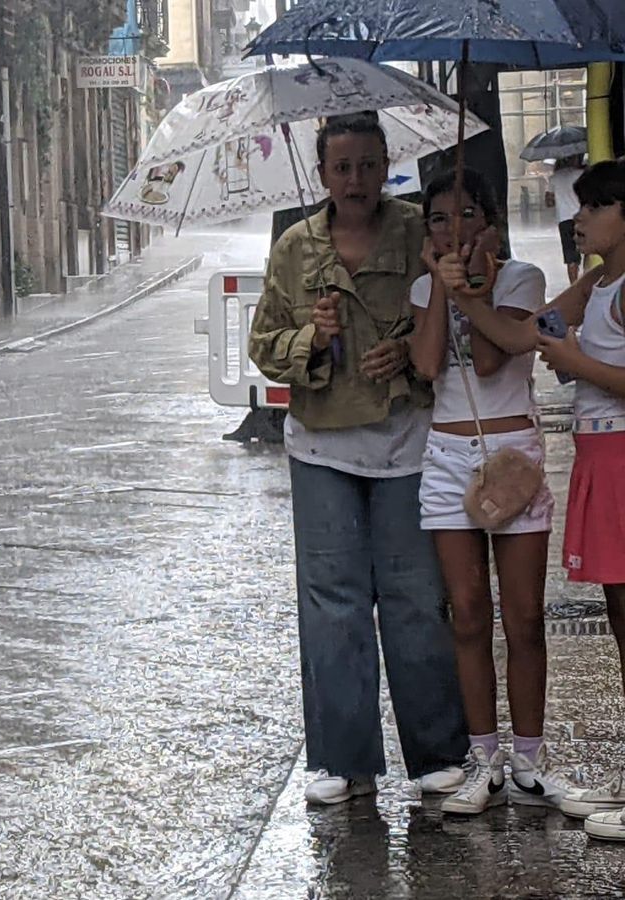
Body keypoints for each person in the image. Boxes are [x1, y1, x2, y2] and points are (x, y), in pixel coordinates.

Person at [248, 112, 468, 806]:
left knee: (414, 596)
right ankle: (343, 759)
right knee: (332, 602)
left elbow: (451, 313)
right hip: (321, 446)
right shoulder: (295, 247)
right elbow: (264, 344)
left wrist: (406, 349)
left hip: (407, 442)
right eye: (342, 167)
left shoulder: (417, 231)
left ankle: (437, 750)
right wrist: (311, 340)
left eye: (369, 165)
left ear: (386, 166)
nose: (356, 180)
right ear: (322, 174)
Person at [409, 169, 564, 815]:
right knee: (468, 613)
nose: (455, 230)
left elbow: (496, 356)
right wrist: (440, 290)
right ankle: (485, 759)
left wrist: (475, 287)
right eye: (439, 219)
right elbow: (426, 365)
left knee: (524, 616)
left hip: (512, 458)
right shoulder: (424, 287)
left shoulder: (522, 278)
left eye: (468, 214)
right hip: (447, 459)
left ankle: (529, 760)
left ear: (492, 222)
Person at [496, 160, 625, 840]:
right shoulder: (595, 284)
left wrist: (573, 364)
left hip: (622, 460)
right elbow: (526, 333)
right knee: (619, 617)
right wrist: (463, 295)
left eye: (596, 206)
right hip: (601, 461)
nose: (581, 219)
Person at [549, 155, 586, 284]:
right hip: (581, 217)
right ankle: (588, 278)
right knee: (589, 250)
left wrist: (559, 198)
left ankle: (574, 286)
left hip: (564, 220)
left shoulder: (554, 178)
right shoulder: (580, 174)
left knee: (570, 257)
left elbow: (549, 202)